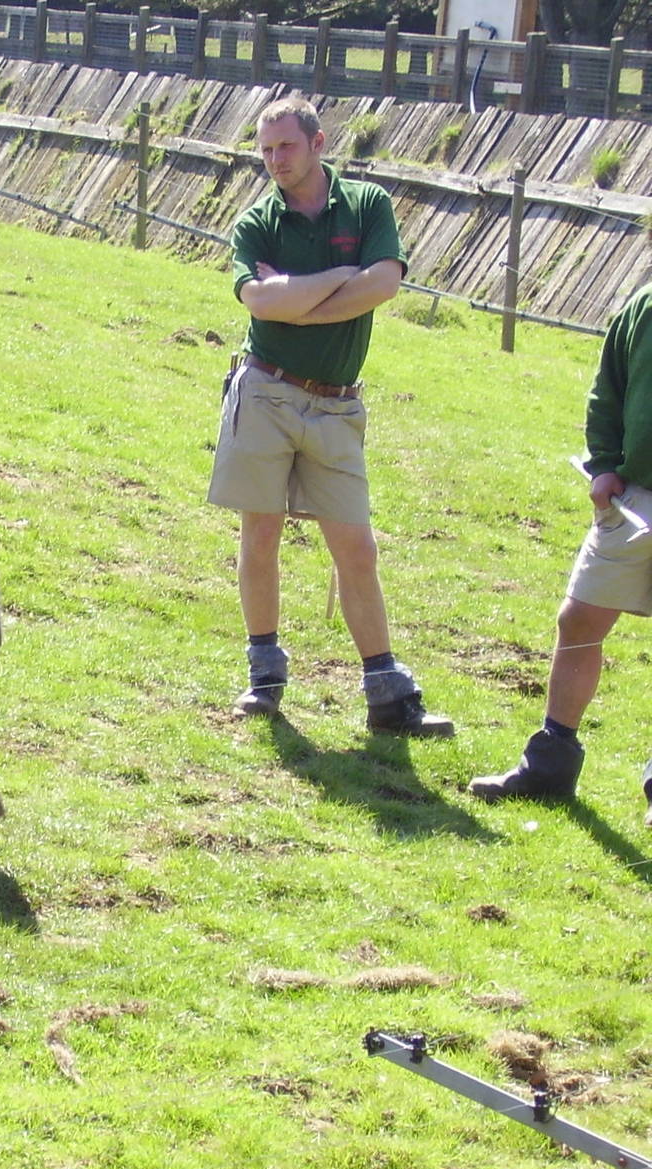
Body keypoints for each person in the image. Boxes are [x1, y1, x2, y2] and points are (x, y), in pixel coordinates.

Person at [207, 95, 453, 737]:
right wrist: (342, 277)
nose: (273, 160)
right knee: (259, 535)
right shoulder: (256, 221)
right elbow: (259, 301)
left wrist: (301, 296)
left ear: (318, 144)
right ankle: (264, 674)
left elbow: (385, 284)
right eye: (264, 150)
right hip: (266, 390)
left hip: (337, 402)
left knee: (355, 545)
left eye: (285, 147)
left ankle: (386, 691)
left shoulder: (368, 206)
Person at [470, 282, 652, 825]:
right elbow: (610, 388)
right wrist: (604, 465)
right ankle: (549, 765)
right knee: (579, 620)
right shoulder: (643, 303)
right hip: (633, 500)